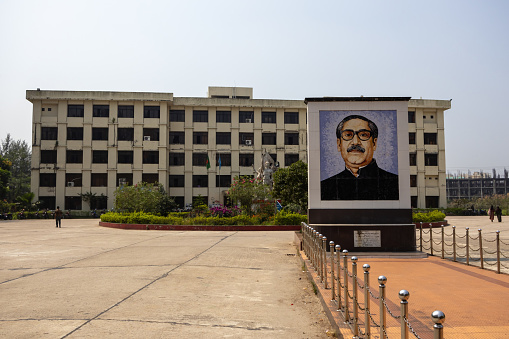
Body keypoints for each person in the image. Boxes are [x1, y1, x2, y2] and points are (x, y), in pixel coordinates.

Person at [321, 115, 399, 200]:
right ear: (339, 144)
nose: (355, 142)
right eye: (348, 135)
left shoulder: (394, 183)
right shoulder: (325, 187)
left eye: (363, 135)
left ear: (374, 144)